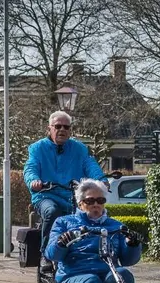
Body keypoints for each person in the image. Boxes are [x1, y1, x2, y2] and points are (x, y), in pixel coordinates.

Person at [45, 178, 142, 283]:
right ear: (80, 203)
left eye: (100, 201)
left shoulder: (115, 226)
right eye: (90, 201)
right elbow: (51, 254)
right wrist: (61, 242)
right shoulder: (64, 223)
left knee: (123, 274)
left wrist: (133, 245)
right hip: (73, 279)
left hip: (106, 276)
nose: (96, 205)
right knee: (90, 281)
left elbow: (128, 260)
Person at [24, 110, 106, 271]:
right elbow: (30, 167)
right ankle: (45, 255)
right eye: (58, 126)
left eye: (66, 127)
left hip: (71, 195)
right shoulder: (37, 148)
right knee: (51, 212)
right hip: (46, 195)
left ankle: (91, 253)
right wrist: (34, 180)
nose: (62, 130)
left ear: (70, 130)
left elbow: (90, 165)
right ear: (49, 128)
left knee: (91, 215)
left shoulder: (79, 149)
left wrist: (101, 180)